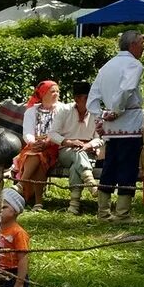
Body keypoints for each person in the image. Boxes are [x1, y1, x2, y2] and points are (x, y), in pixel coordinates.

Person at [89, 30, 144, 221]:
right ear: (132, 45)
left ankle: (103, 211)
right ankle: (122, 213)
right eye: (141, 44)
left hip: (111, 127)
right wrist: (116, 110)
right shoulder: (134, 64)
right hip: (129, 122)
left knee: (110, 165)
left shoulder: (107, 66)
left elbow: (93, 98)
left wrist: (101, 115)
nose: (143, 48)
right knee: (128, 166)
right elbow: (127, 89)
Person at [49, 80, 103, 214]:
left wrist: (89, 145)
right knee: (77, 153)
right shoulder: (64, 110)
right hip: (66, 150)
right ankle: (90, 182)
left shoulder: (96, 113)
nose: (91, 100)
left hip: (88, 151)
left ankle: (74, 205)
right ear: (77, 98)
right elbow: (52, 133)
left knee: (76, 165)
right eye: (87, 97)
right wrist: (68, 142)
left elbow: (100, 138)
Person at [12, 80, 62, 211]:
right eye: (52, 91)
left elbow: (62, 130)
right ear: (43, 93)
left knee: (39, 155)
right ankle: (38, 203)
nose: (56, 94)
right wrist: (33, 143)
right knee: (37, 156)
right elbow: (27, 132)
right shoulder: (32, 111)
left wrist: (48, 142)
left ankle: (21, 184)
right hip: (34, 145)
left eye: (57, 91)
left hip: (53, 145)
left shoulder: (62, 109)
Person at [0, 188, 31, 287]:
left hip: (14, 274)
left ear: (15, 210)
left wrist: (19, 283)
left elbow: (23, 259)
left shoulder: (18, 232)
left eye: (4, 207)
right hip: (0, 273)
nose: (0, 210)